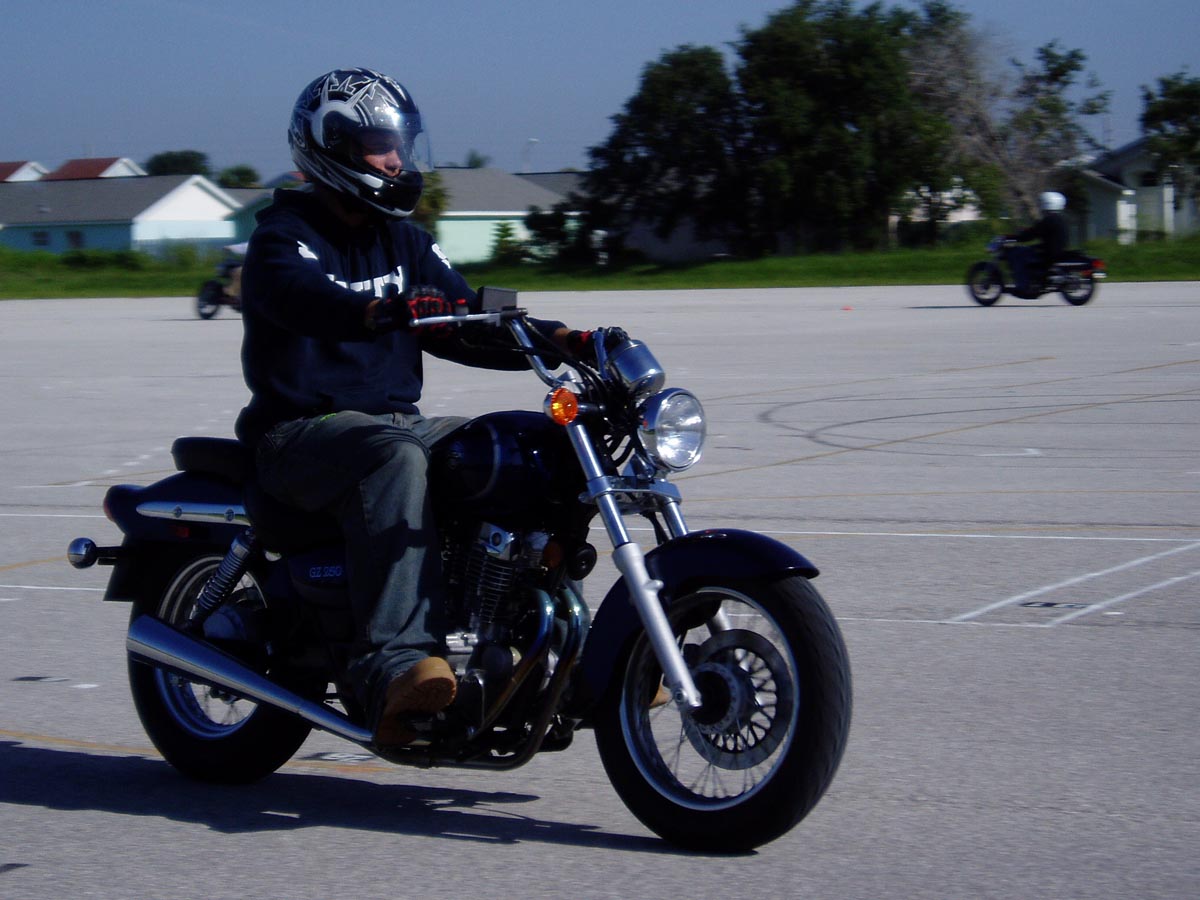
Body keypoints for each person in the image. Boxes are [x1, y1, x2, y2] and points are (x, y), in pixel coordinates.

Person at [235, 68, 586, 746]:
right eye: (379, 146)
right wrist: (376, 311)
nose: (396, 160)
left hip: (393, 426)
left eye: (399, 144)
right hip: (299, 433)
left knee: (527, 449)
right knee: (394, 457)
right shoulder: (283, 235)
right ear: (331, 147)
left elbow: (467, 315)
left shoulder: (404, 240)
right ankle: (393, 669)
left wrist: (568, 340)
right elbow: (299, 296)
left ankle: (548, 650)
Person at [1007, 191, 1070, 296]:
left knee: (1018, 254)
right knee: (1027, 251)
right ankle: (1034, 281)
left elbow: (1032, 234)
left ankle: (1022, 286)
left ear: (1047, 203)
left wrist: (1016, 237)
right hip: (1057, 249)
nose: (1040, 205)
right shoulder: (1060, 219)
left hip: (1049, 251)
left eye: (1041, 202)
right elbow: (1038, 232)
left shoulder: (1048, 220)